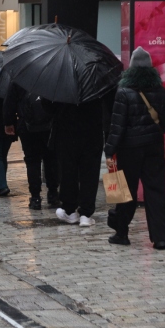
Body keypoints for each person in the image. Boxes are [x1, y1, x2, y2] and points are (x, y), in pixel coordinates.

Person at [104, 47, 165, 249]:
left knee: (126, 191)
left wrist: (110, 150)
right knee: (156, 190)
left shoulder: (123, 92)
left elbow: (117, 126)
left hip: (130, 149)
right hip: (154, 147)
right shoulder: (161, 92)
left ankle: (122, 233)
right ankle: (160, 238)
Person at [51, 92, 112, 228]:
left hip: (66, 131)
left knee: (68, 171)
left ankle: (70, 210)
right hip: (92, 131)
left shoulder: (61, 81)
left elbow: (48, 107)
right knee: (89, 173)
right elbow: (109, 104)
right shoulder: (96, 82)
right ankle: (85, 213)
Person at [4, 83, 58, 210]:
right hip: (49, 126)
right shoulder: (50, 74)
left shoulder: (19, 77)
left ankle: (35, 197)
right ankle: (53, 193)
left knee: (32, 161)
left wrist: (8, 122)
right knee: (51, 159)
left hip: (27, 127)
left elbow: (9, 103)